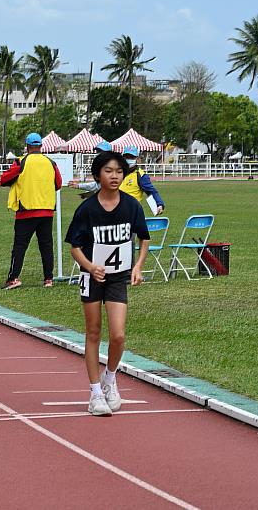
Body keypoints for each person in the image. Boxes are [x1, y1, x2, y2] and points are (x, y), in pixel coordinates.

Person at [65, 151, 150, 416]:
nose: (114, 176)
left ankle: (110, 379)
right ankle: (94, 393)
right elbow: (74, 247)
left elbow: (143, 238)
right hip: (92, 277)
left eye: (119, 172)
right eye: (108, 171)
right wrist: (90, 267)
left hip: (118, 276)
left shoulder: (132, 206)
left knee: (118, 334)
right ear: (98, 175)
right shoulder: (87, 209)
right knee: (93, 332)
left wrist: (137, 267)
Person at [0, 132, 62, 289]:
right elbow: (58, 183)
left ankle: (13, 278)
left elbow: (4, 179)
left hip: (26, 210)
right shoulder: (51, 163)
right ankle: (48, 279)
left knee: (20, 246)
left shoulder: (21, 162)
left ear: (27, 147)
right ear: (41, 146)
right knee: (46, 246)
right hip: (47, 210)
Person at [69, 144, 165, 215]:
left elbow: (152, 191)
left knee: (128, 242)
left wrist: (159, 204)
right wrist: (83, 189)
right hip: (111, 210)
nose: (129, 159)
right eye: (127, 156)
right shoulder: (116, 171)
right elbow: (99, 186)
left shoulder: (140, 175)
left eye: (131, 157)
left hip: (131, 212)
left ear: (136, 158)